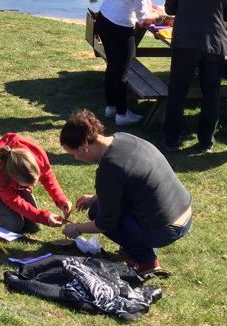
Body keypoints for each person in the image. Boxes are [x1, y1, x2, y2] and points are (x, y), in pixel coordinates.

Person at [60, 109, 192, 275]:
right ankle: (134, 243)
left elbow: (104, 224)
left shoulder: (109, 170)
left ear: (84, 147)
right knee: (100, 205)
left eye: (74, 154)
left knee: (97, 212)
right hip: (184, 211)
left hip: (166, 229)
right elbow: (131, 181)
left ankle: (146, 260)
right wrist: (96, 197)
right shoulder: (123, 138)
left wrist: (77, 228)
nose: (76, 159)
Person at [162, 0, 227, 154]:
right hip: (214, 42)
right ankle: (206, 141)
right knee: (211, 93)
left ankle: (171, 139)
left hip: (185, 41)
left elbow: (169, 8)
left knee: (178, 91)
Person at [94, 0, 163, 127]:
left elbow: (136, 1)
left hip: (103, 20)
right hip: (119, 27)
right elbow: (142, 18)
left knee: (112, 65)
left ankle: (111, 106)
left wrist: (149, 6)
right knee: (123, 71)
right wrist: (159, 15)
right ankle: (122, 114)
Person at [0, 131, 71, 233]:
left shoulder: (37, 154)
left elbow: (47, 175)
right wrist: (43, 217)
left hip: (8, 187)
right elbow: (12, 200)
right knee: (14, 225)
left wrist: (61, 199)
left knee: (34, 225)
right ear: (13, 177)